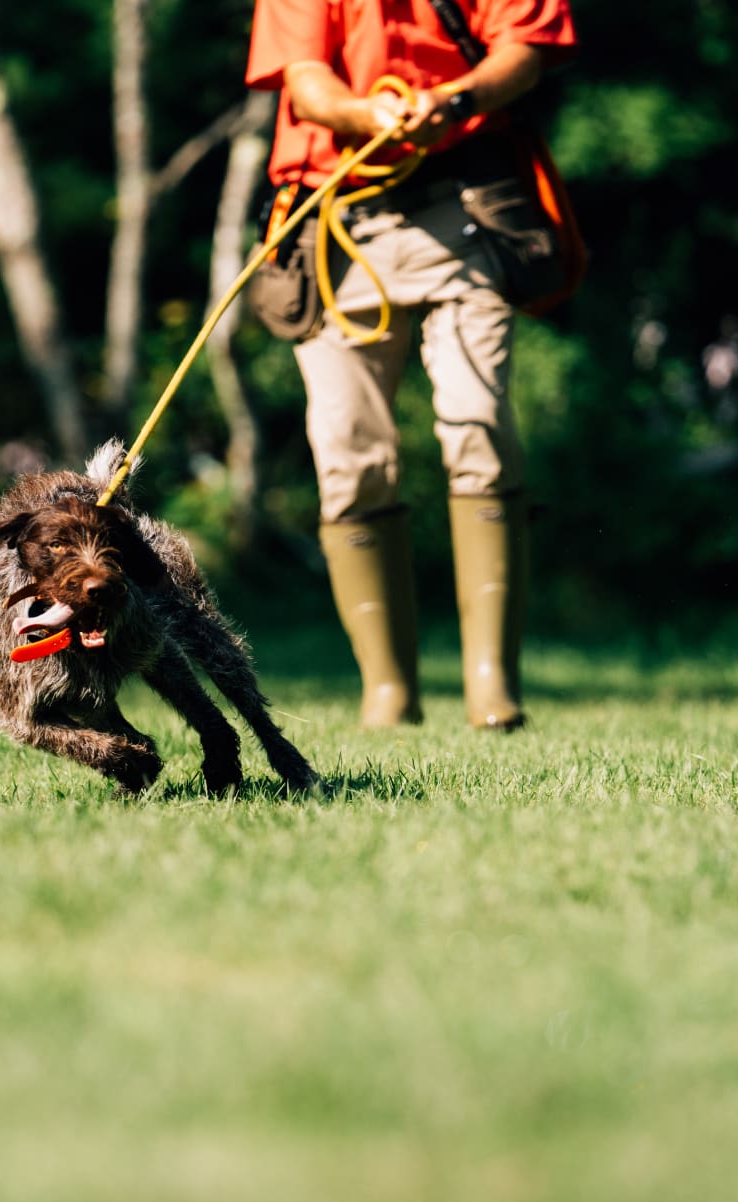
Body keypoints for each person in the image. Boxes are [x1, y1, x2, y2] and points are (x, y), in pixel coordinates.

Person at [246, 0, 577, 731]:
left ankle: (492, 685)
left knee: (479, 424)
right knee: (347, 454)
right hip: (334, 224)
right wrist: (369, 117)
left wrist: (452, 101)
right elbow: (306, 84)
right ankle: (388, 691)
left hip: (463, 213)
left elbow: (522, 49)